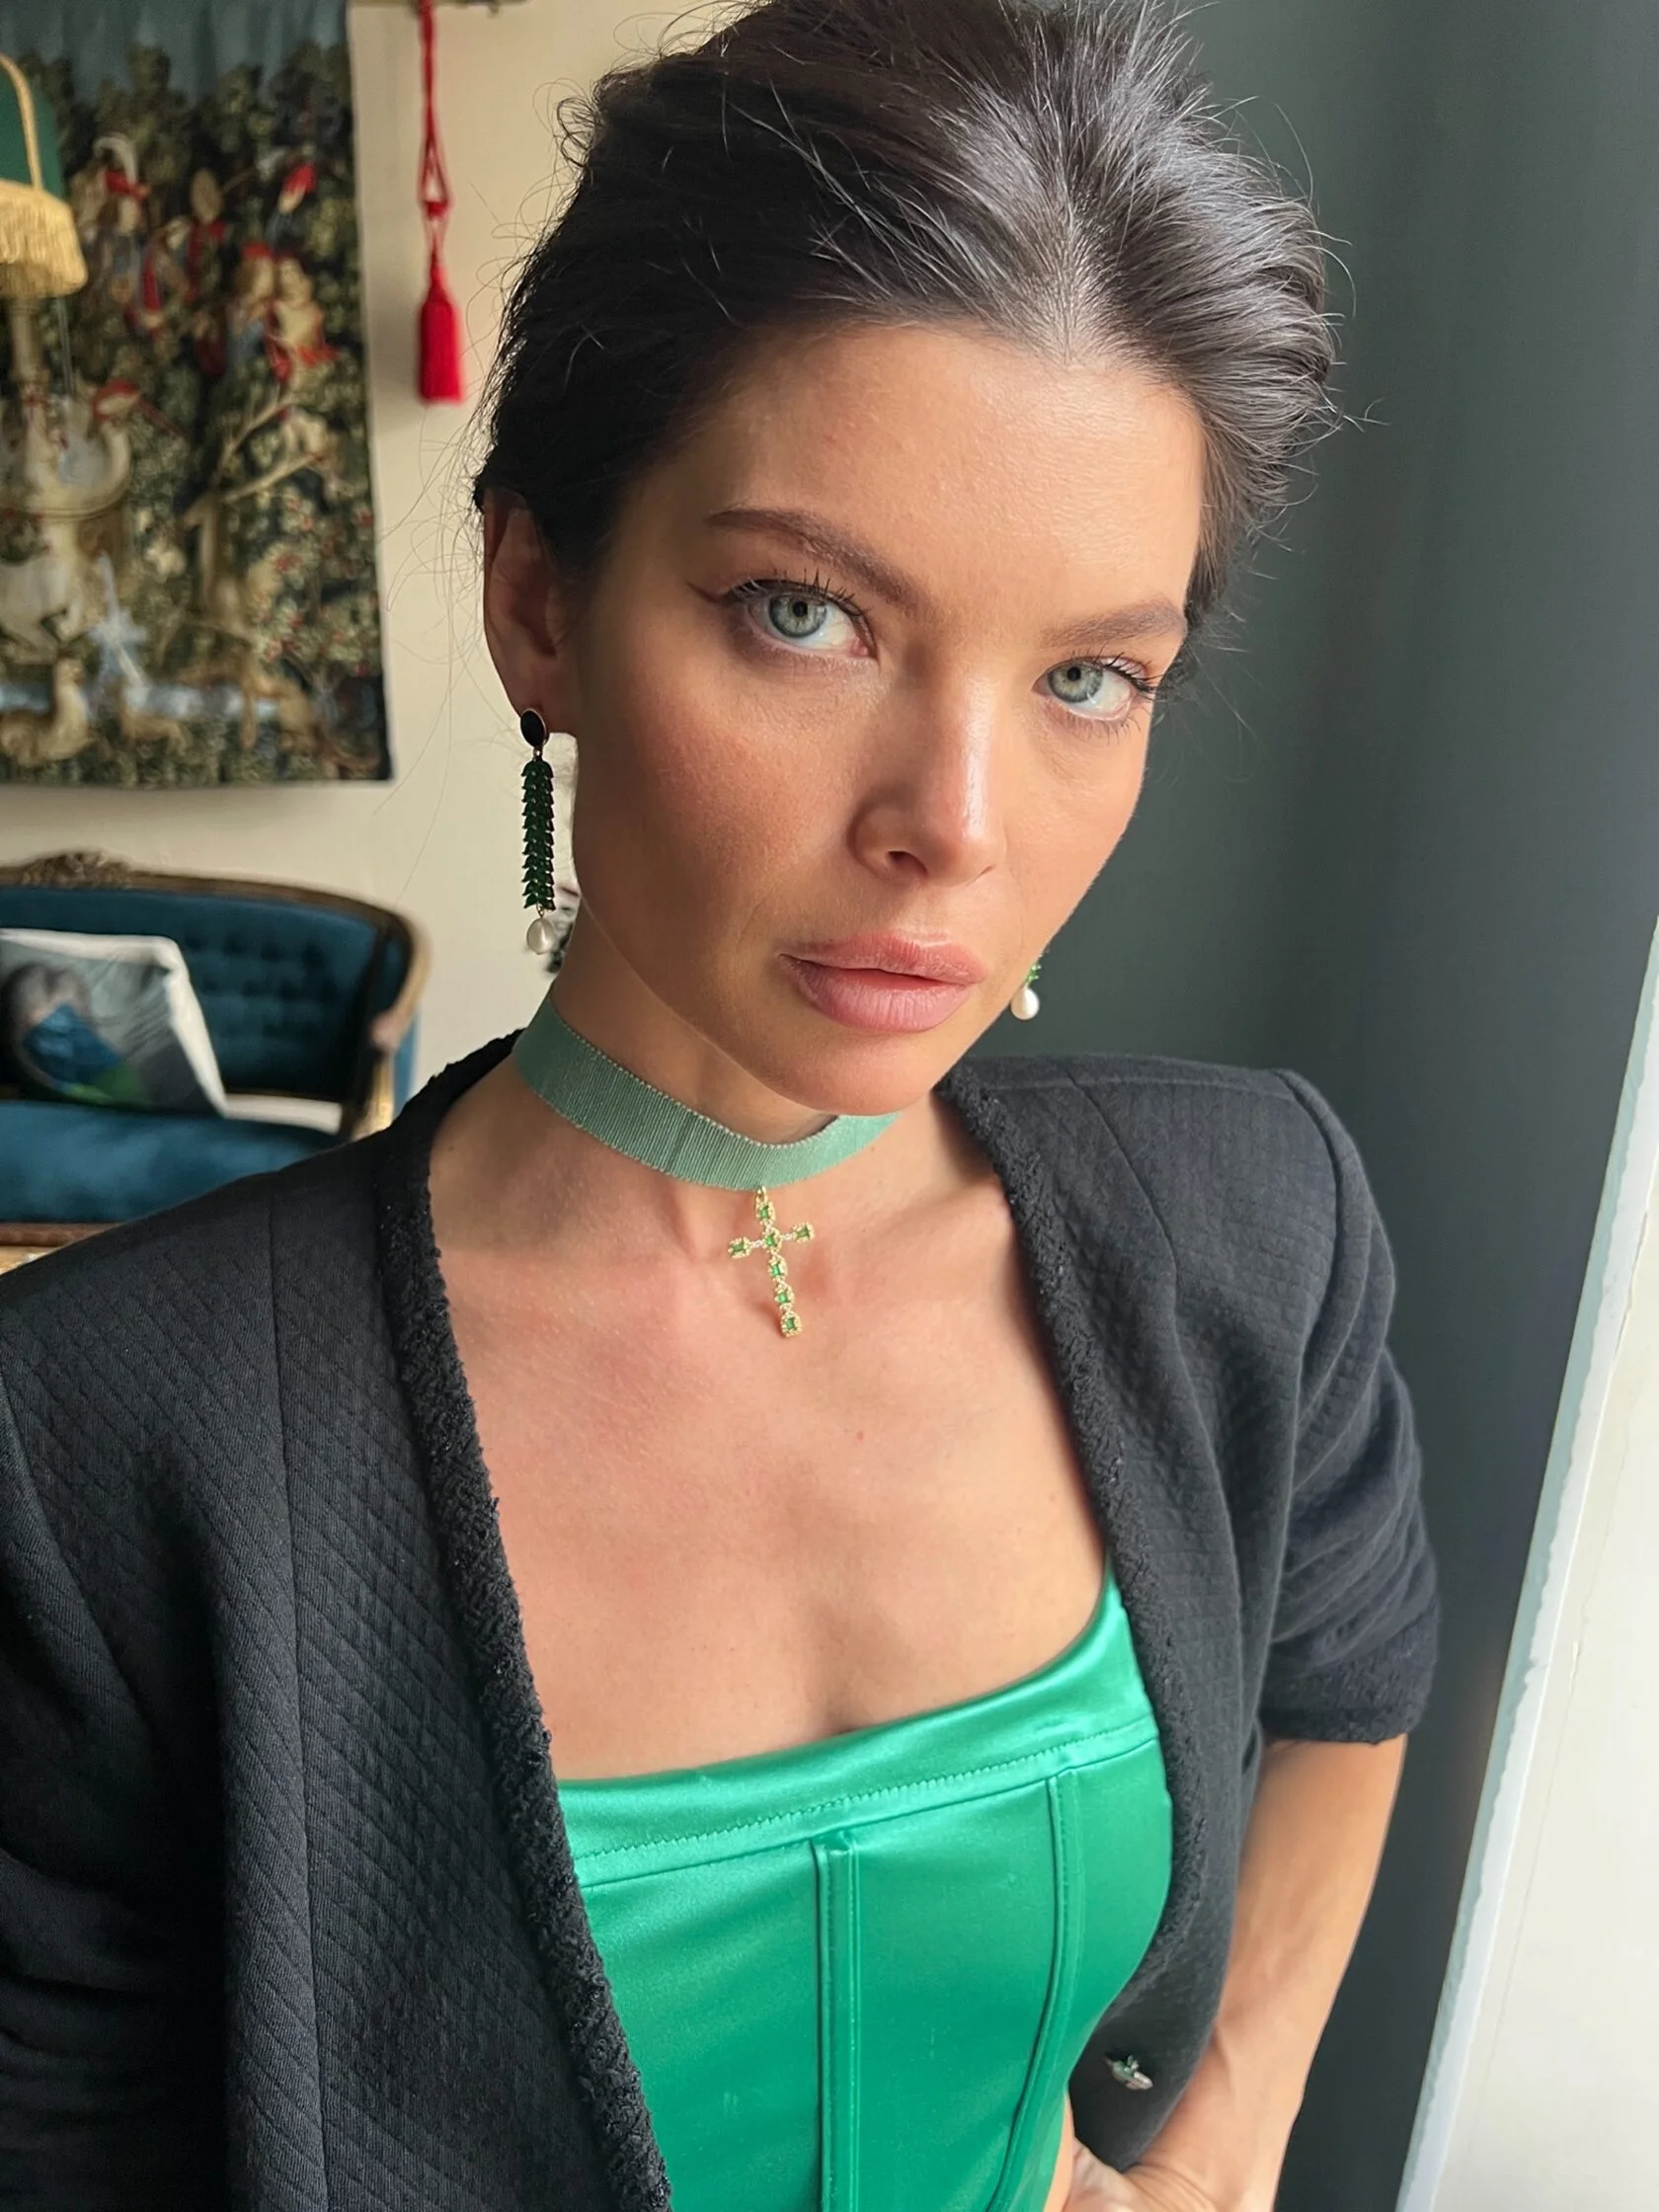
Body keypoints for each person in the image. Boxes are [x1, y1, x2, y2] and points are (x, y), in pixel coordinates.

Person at [0, 2, 1438, 2207]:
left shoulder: (1255, 1229)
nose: (955, 823)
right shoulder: (97, 1439)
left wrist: (1216, 2146)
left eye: (1087, 676)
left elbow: (1354, 1669)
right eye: (804, 614)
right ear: (538, 604)